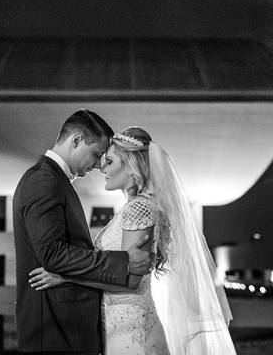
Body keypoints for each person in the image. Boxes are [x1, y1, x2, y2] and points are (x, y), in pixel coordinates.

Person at [29, 127, 235, 355]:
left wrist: (65, 277)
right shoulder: (137, 206)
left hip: (131, 331)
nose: (102, 168)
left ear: (130, 164)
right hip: (122, 325)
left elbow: (129, 281)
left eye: (109, 162)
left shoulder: (140, 208)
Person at [12, 110, 154, 354]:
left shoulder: (53, 180)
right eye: (97, 154)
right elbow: (52, 253)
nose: (98, 165)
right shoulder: (43, 180)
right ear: (76, 140)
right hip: (55, 329)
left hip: (68, 328)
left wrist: (67, 277)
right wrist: (123, 261)